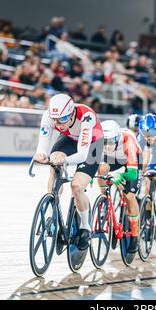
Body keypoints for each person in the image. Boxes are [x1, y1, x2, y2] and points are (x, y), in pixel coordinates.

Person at [33, 93, 104, 251]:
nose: (58, 123)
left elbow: (83, 154)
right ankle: (53, 213)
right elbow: (43, 142)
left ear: (72, 114)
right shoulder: (49, 116)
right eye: (55, 119)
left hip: (92, 145)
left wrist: (64, 161)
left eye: (62, 119)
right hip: (70, 139)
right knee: (54, 166)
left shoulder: (86, 116)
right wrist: (42, 154)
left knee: (77, 186)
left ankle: (85, 227)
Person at [98, 120, 142, 253]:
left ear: (117, 139)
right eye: (104, 142)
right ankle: (104, 201)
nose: (106, 146)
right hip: (113, 159)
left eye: (110, 142)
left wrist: (121, 175)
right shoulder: (102, 142)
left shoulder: (128, 141)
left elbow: (133, 174)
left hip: (131, 161)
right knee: (101, 169)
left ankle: (135, 236)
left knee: (129, 196)